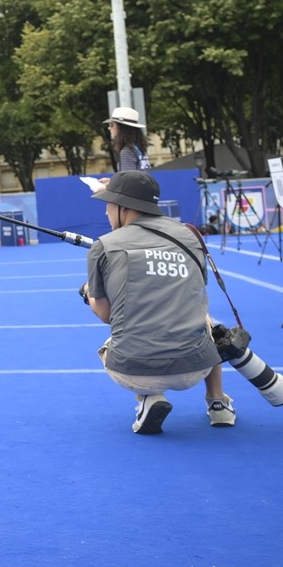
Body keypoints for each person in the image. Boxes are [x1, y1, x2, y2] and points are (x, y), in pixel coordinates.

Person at [82, 171, 234, 434]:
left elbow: (106, 315)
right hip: (197, 368)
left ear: (123, 207)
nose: (106, 212)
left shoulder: (104, 245)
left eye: (108, 205)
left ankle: (148, 397)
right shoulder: (190, 235)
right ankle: (217, 401)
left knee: (114, 339)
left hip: (134, 370)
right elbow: (197, 290)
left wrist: (89, 295)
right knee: (205, 318)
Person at [104, 106, 150, 172]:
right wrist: (110, 181)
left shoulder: (127, 152)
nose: (109, 128)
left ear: (121, 128)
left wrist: (112, 182)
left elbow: (127, 180)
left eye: (111, 125)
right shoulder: (139, 148)